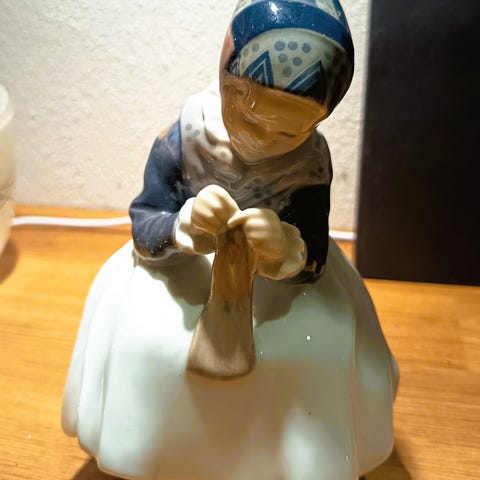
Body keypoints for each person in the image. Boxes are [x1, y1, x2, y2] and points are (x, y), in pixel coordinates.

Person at [62, 2, 398, 479]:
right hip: (182, 263)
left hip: (278, 282)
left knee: (317, 345)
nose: (263, 141)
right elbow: (144, 220)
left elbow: (314, 253)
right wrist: (184, 225)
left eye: (289, 131)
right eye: (251, 120)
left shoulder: (308, 167)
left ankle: (293, 458)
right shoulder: (185, 137)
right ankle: (152, 452)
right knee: (146, 338)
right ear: (226, 82)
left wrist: (285, 248)